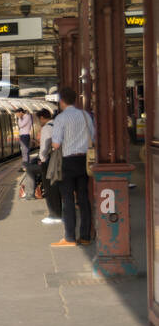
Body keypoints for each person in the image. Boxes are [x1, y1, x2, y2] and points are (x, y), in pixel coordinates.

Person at [49, 88, 95, 247]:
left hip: (67, 162)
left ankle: (69, 237)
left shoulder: (61, 118)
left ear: (62, 101)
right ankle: (85, 237)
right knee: (83, 198)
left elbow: (56, 144)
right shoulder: (85, 115)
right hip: (84, 161)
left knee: (67, 199)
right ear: (75, 99)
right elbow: (93, 137)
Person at [34, 109, 62, 224]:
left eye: (38, 120)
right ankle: (58, 213)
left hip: (49, 161)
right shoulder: (58, 124)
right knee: (57, 187)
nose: (38, 122)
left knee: (50, 188)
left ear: (42, 118)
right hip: (60, 159)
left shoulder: (46, 128)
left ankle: (54, 215)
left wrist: (42, 159)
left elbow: (45, 147)